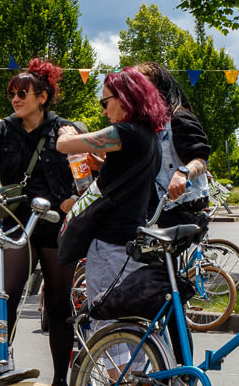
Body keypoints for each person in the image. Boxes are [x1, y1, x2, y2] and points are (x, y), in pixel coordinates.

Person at [0, 59, 79, 386]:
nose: (15, 99)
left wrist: (74, 199)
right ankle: (0, 376)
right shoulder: (3, 130)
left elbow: (88, 173)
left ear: (43, 96)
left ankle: (61, 384)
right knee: (4, 298)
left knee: (58, 302)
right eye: (12, 93)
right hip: (15, 223)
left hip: (54, 225)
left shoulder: (64, 130)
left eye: (22, 93)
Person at [55, 67, 168, 313]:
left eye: (105, 101)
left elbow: (64, 145)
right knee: (133, 324)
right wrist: (102, 165)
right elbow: (134, 182)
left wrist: (67, 131)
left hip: (110, 243)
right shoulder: (149, 137)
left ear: (125, 98)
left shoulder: (124, 132)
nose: (104, 110)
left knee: (108, 326)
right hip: (132, 240)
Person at [133, 62, 214, 229]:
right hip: (154, 208)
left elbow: (200, 160)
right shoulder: (145, 127)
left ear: (160, 89)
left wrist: (183, 173)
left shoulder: (179, 118)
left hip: (184, 205)